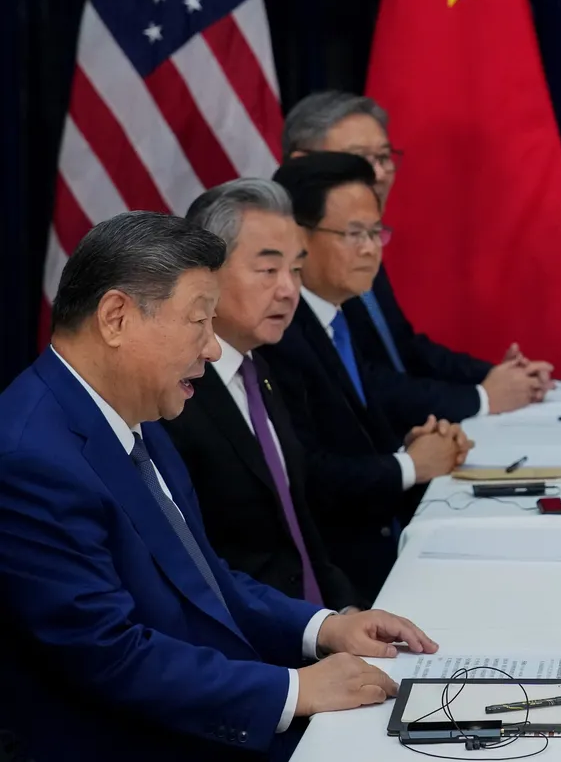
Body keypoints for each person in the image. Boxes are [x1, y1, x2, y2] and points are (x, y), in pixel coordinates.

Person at [0, 212, 438, 761]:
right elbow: (108, 655)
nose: (212, 350)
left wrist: (324, 628)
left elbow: (203, 578)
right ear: (116, 317)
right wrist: (295, 690)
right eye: (198, 322)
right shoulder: (29, 459)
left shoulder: (138, 415)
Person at [263, 153, 470, 601]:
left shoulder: (339, 313)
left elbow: (352, 431)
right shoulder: (276, 334)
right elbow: (304, 474)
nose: (371, 248)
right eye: (354, 234)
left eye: (376, 233)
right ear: (299, 237)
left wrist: (414, 446)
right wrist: (410, 465)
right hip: (338, 585)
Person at [282, 91, 549, 420]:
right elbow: (358, 379)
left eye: (383, 158)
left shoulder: (365, 235)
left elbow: (402, 348)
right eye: (359, 160)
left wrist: (498, 376)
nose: (377, 174)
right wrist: (480, 397)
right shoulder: (288, 261)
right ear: (301, 163)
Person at [164, 180, 366, 610]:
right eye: (268, 270)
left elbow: (300, 528)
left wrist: (345, 609)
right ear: (206, 274)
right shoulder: (172, 398)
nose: (290, 290)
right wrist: (314, 634)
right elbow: (200, 569)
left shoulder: (264, 371)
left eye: (296, 270)